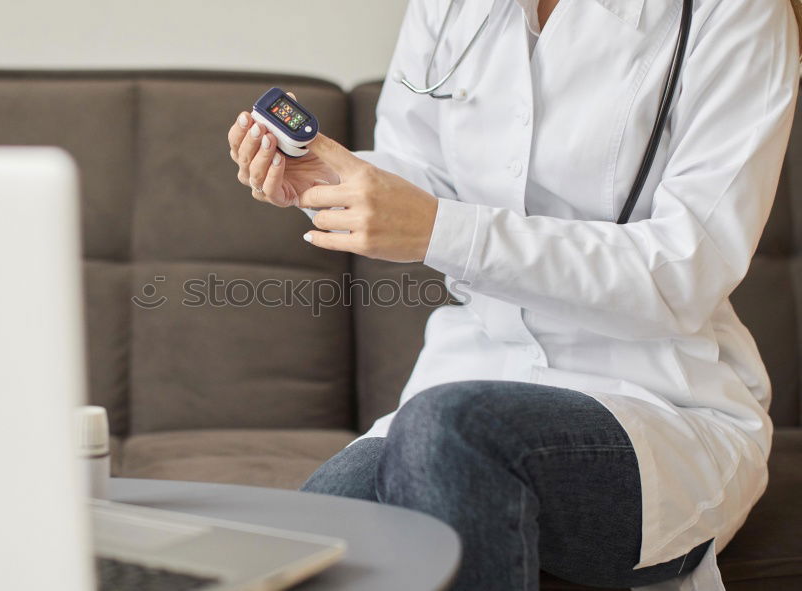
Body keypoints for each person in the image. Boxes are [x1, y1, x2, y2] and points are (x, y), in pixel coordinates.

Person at [227, 1, 802, 589]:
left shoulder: (737, 13)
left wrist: (439, 229)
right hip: (467, 375)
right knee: (313, 535)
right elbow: (422, 174)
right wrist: (331, 184)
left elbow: (685, 272)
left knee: (451, 428)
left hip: (658, 401)